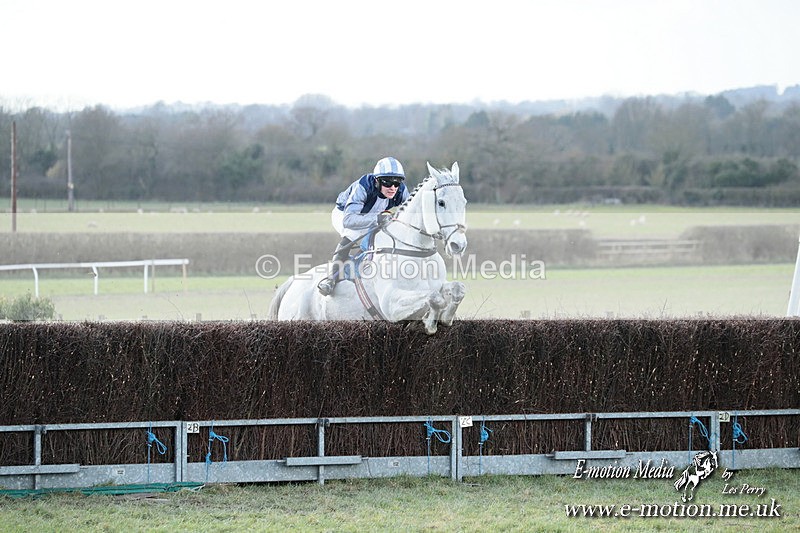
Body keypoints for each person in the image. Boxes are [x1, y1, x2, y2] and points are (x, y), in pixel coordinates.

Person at [317, 156, 410, 295]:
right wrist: (378, 218)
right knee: (353, 234)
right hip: (345, 214)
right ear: (377, 180)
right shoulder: (363, 187)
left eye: (397, 183)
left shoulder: (401, 191)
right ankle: (331, 279)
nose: (392, 188)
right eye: (387, 183)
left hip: (373, 214)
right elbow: (349, 220)